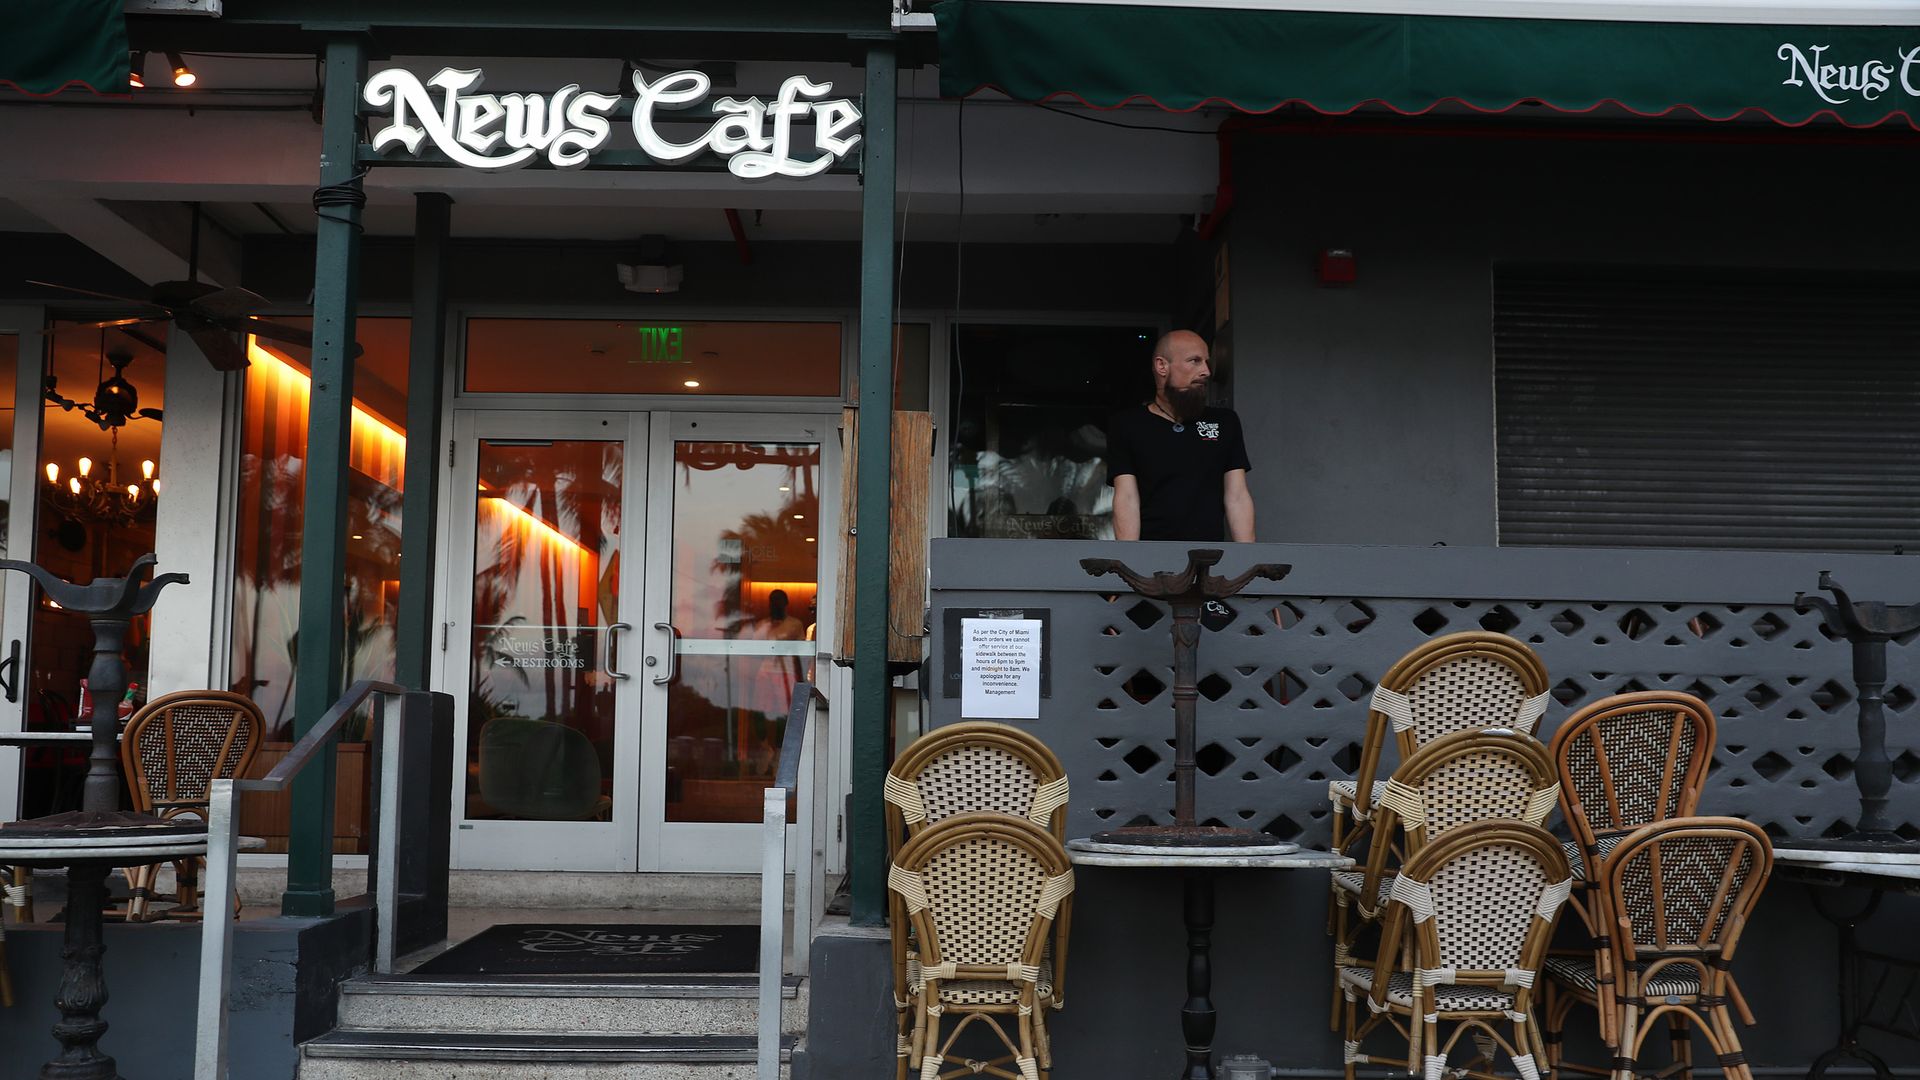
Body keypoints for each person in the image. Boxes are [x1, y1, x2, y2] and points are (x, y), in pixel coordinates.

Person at [1106, 329, 1256, 542]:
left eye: (1206, 362)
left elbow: (1237, 497)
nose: (1206, 371)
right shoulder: (1128, 425)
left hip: (1209, 556)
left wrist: (1248, 557)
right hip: (1150, 555)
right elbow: (1127, 498)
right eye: (1194, 361)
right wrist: (1130, 558)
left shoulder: (1225, 422)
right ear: (1162, 366)